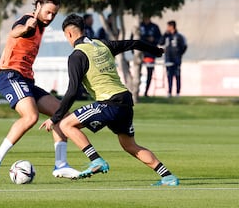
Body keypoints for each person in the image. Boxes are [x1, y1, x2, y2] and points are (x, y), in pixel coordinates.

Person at [40, 14, 179, 186]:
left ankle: (96, 160)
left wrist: (55, 118)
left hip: (108, 102)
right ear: (83, 30)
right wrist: (156, 51)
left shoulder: (77, 56)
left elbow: (72, 91)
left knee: (65, 125)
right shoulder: (103, 44)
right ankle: (168, 177)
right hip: (126, 100)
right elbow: (134, 43)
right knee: (130, 145)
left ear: (68, 34)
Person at [0, 0, 80, 180]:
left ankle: (60, 165)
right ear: (38, 7)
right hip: (12, 76)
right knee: (31, 116)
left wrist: (1, 60)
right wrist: (27, 27)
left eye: (54, 14)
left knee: (62, 115)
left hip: (26, 79)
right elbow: (15, 32)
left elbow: (11, 42)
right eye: (48, 12)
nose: (50, 17)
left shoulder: (41, 26)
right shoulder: (29, 21)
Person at [159, 20, 187, 97]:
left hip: (176, 59)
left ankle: (177, 92)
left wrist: (179, 54)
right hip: (168, 58)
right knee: (169, 75)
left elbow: (184, 46)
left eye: (168, 26)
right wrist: (164, 34)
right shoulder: (166, 36)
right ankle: (169, 92)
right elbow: (160, 42)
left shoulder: (179, 36)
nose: (167, 28)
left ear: (172, 26)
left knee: (177, 75)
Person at [139, 17, 161, 97]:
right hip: (140, 53)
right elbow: (134, 38)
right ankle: (137, 90)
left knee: (149, 73)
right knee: (138, 72)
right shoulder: (139, 26)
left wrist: (153, 39)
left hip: (150, 54)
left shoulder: (154, 27)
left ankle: (146, 92)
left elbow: (159, 38)